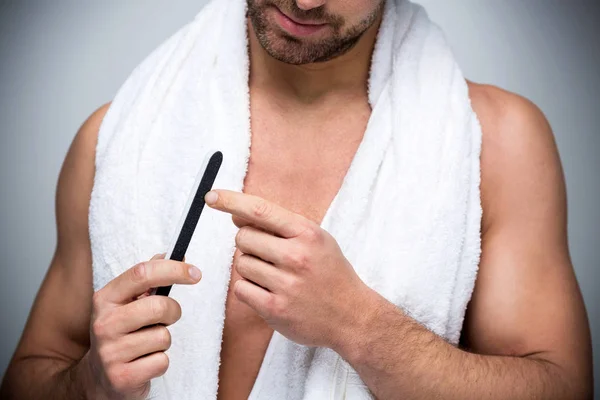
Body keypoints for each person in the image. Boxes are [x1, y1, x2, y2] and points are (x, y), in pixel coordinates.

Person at [0, 0, 593, 399]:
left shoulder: (497, 142)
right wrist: (90, 384)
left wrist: (361, 327)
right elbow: (30, 375)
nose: (305, 0)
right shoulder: (120, 138)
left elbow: (561, 386)